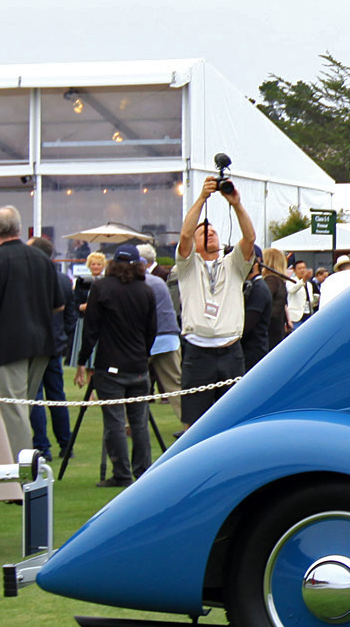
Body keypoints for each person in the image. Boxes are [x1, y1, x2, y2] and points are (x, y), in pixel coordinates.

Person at [0, 206, 64, 459]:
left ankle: (20, 476)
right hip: (41, 343)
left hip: (8, 345)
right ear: (19, 229)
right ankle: (26, 464)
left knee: (13, 410)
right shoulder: (42, 259)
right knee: (24, 407)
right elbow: (59, 304)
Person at [173, 176, 257, 428]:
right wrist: (201, 198)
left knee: (233, 421)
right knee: (194, 423)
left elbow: (249, 239)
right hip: (197, 352)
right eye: (203, 232)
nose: (209, 233)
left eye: (213, 231)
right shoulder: (188, 266)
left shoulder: (232, 263)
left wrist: (236, 205)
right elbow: (185, 235)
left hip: (230, 351)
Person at [77, 245, 156, 487]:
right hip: (138, 364)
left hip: (110, 364)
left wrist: (82, 361)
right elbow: (151, 331)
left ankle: (121, 473)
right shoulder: (146, 290)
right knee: (139, 422)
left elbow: (90, 329)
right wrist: (143, 354)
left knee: (115, 422)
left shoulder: (101, 288)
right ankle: (143, 471)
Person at [27, 236, 77, 459]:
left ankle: (42, 446)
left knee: (37, 397)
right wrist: (64, 337)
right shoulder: (64, 280)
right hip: (55, 344)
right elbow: (70, 316)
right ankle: (65, 444)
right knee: (57, 396)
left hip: (36, 345)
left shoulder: (30, 280)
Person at [136, 244, 183, 422]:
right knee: (176, 386)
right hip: (169, 336)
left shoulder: (143, 282)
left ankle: (128, 424)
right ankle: (190, 425)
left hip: (150, 338)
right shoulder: (158, 281)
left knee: (133, 383)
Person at [286, 258, 316, 325]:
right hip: (296, 317)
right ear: (294, 270)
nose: (302, 270)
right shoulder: (290, 281)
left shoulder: (309, 284)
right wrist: (303, 280)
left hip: (308, 314)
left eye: (304, 268)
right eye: (299, 269)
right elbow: (292, 290)